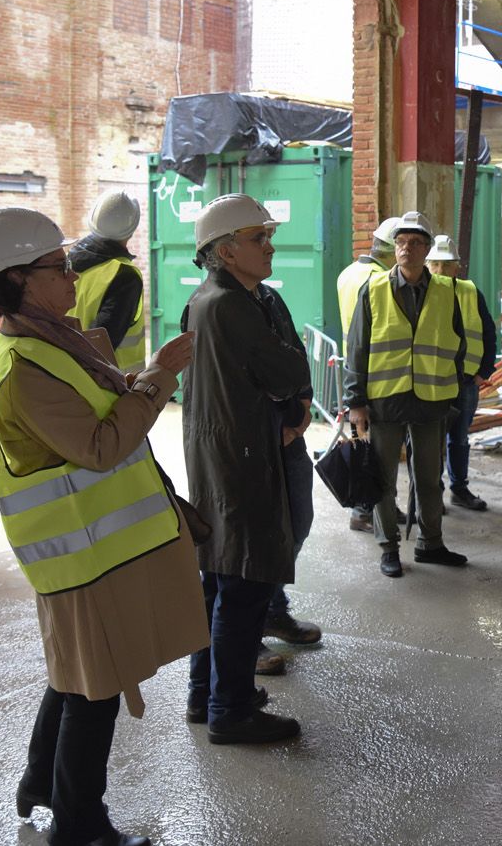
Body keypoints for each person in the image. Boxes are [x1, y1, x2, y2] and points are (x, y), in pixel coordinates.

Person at [0, 206, 207, 846]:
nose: (72, 274)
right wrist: (159, 377)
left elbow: (98, 404)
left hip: (96, 552)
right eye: (58, 267)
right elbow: (102, 445)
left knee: (77, 675)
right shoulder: (26, 371)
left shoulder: (54, 344)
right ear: (19, 281)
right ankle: (80, 826)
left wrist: (139, 376)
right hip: (80, 557)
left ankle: (43, 783)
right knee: (94, 691)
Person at [182, 194, 311, 745]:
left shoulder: (204, 300)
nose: (270, 246)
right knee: (243, 585)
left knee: (218, 582)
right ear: (227, 251)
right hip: (243, 460)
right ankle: (230, 710)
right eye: (260, 238)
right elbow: (285, 369)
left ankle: (205, 694)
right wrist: (291, 364)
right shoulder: (235, 306)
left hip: (219, 457)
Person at [344, 210, 471, 577]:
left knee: (429, 478)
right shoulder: (375, 288)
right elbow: (358, 348)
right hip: (386, 400)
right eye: (401, 242)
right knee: (384, 480)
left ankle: (431, 543)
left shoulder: (447, 292)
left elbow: (457, 344)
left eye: (414, 243)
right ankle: (388, 547)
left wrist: (452, 389)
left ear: (427, 249)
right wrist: (356, 402)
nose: (406, 249)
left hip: (431, 401)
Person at [258, 280, 323, 653]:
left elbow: (294, 355)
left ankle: (272, 607)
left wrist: (301, 410)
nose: (269, 245)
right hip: (253, 444)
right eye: (258, 238)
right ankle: (246, 632)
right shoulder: (214, 306)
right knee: (255, 539)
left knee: (297, 524)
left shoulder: (267, 297)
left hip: (289, 437)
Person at [425, 234, 498, 511]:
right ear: (428, 265)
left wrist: (484, 371)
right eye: (436, 265)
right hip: (431, 382)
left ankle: (459, 488)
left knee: (459, 438)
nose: (442, 271)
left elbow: (488, 331)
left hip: (466, 380)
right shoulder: (421, 292)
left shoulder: (470, 291)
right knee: (431, 441)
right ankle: (434, 491)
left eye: (447, 264)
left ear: (458, 266)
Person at [337, 217, 399, 533]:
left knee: (365, 445)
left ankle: (370, 509)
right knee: (374, 451)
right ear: (391, 249)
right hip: (377, 372)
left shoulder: (348, 273)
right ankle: (366, 511)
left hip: (354, 368)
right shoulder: (381, 279)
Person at [67, 190, 146, 372]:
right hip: (113, 384)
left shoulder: (66, 262)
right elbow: (105, 341)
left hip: (71, 374)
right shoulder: (124, 275)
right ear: (132, 229)